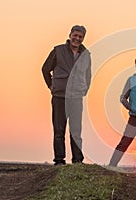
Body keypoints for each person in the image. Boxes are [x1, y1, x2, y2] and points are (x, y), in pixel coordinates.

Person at [42, 25, 91, 165]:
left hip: (76, 97)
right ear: (70, 35)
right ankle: (59, 160)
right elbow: (45, 69)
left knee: (76, 131)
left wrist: (84, 90)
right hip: (59, 96)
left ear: (83, 39)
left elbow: (88, 75)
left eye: (80, 36)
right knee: (59, 130)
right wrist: (51, 86)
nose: (77, 38)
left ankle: (77, 160)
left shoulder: (86, 55)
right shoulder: (58, 51)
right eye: (75, 35)